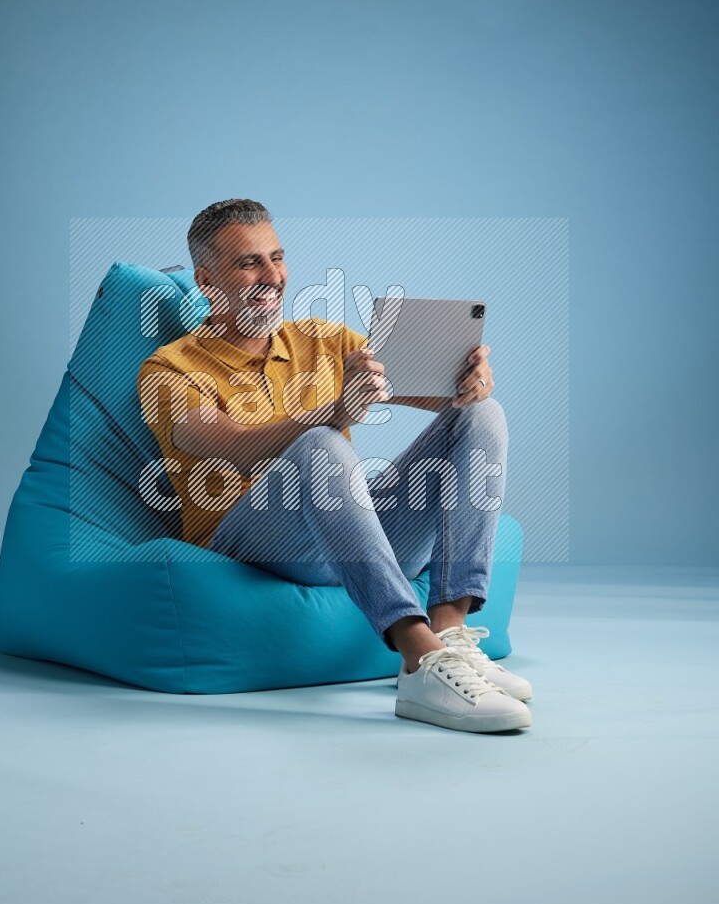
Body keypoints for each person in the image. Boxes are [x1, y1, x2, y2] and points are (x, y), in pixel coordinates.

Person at [137, 198, 532, 733]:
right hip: (253, 543)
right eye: (249, 263)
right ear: (207, 280)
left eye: (277, 257)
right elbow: (228, 442)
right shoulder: (168, 367)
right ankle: (417, 659)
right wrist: (329, 413)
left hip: (345, 533)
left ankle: (450, 637)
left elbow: (436, 397)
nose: (272, 276)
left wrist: (467, 383)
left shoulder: (323, 340)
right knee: (320, 443)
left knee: (482, 416)